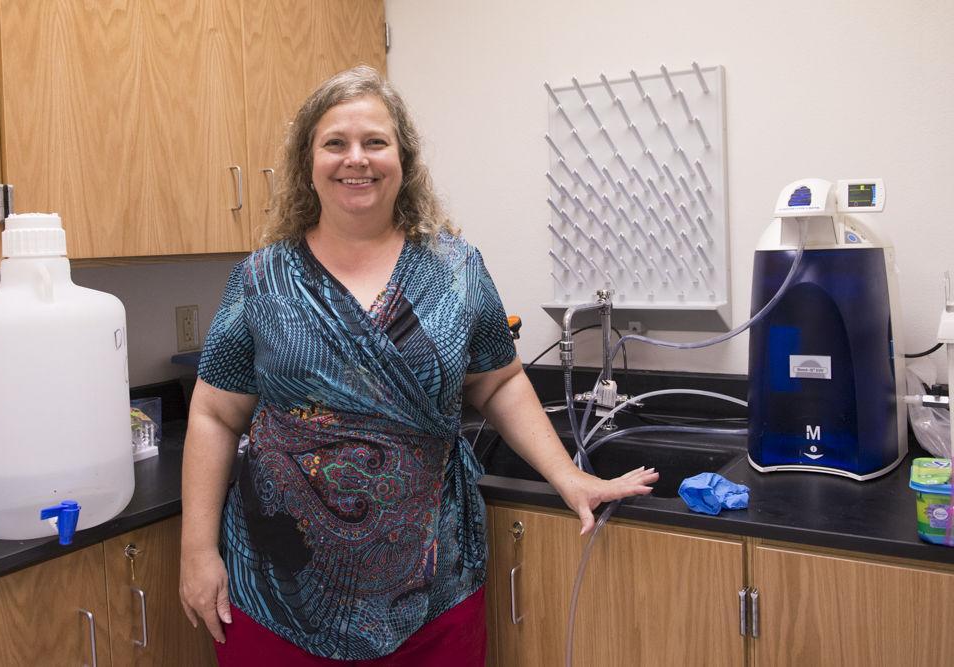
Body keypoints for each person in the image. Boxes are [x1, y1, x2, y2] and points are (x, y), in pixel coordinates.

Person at [179, 65, 658, 665]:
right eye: (335, 143)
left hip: (433, 586)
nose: (357, 159)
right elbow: (215, 414)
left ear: (402, 158)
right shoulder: (260, 279)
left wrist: (568, 476)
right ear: (308, 161)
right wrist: (196, 552)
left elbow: (500, 379)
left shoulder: (455, 271)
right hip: (278, 592)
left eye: (375, 142)